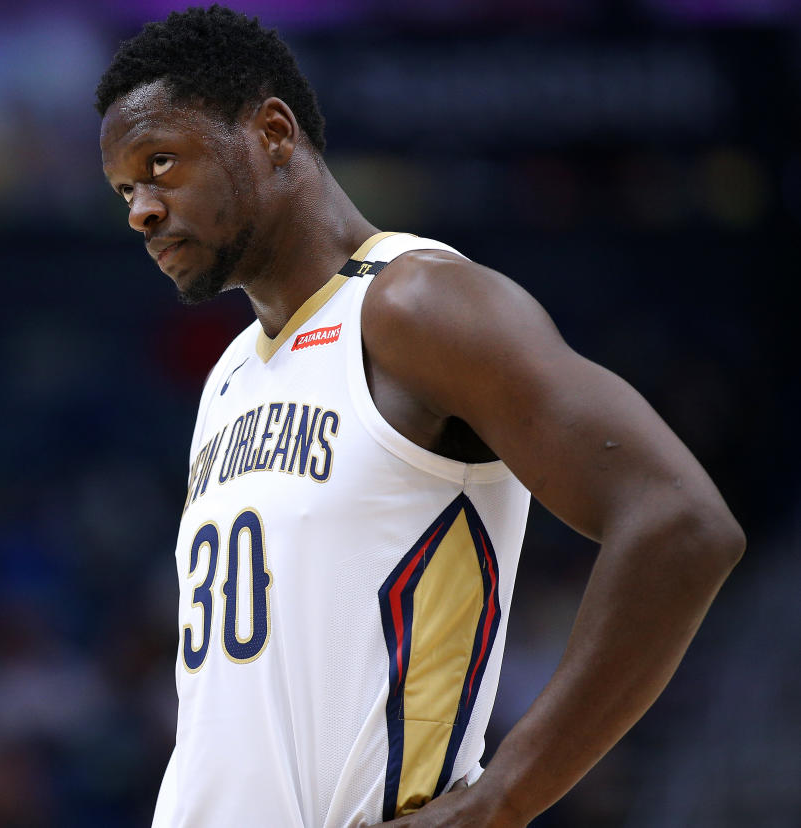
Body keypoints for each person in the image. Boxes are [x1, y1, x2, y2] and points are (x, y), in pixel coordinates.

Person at [95, 6, 744, 827]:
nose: (140, 211)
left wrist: (503, 798)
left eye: (162, 164)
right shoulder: (229, 375)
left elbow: (681, 521)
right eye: (125, 188)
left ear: (270, 132)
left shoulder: (416, 303)